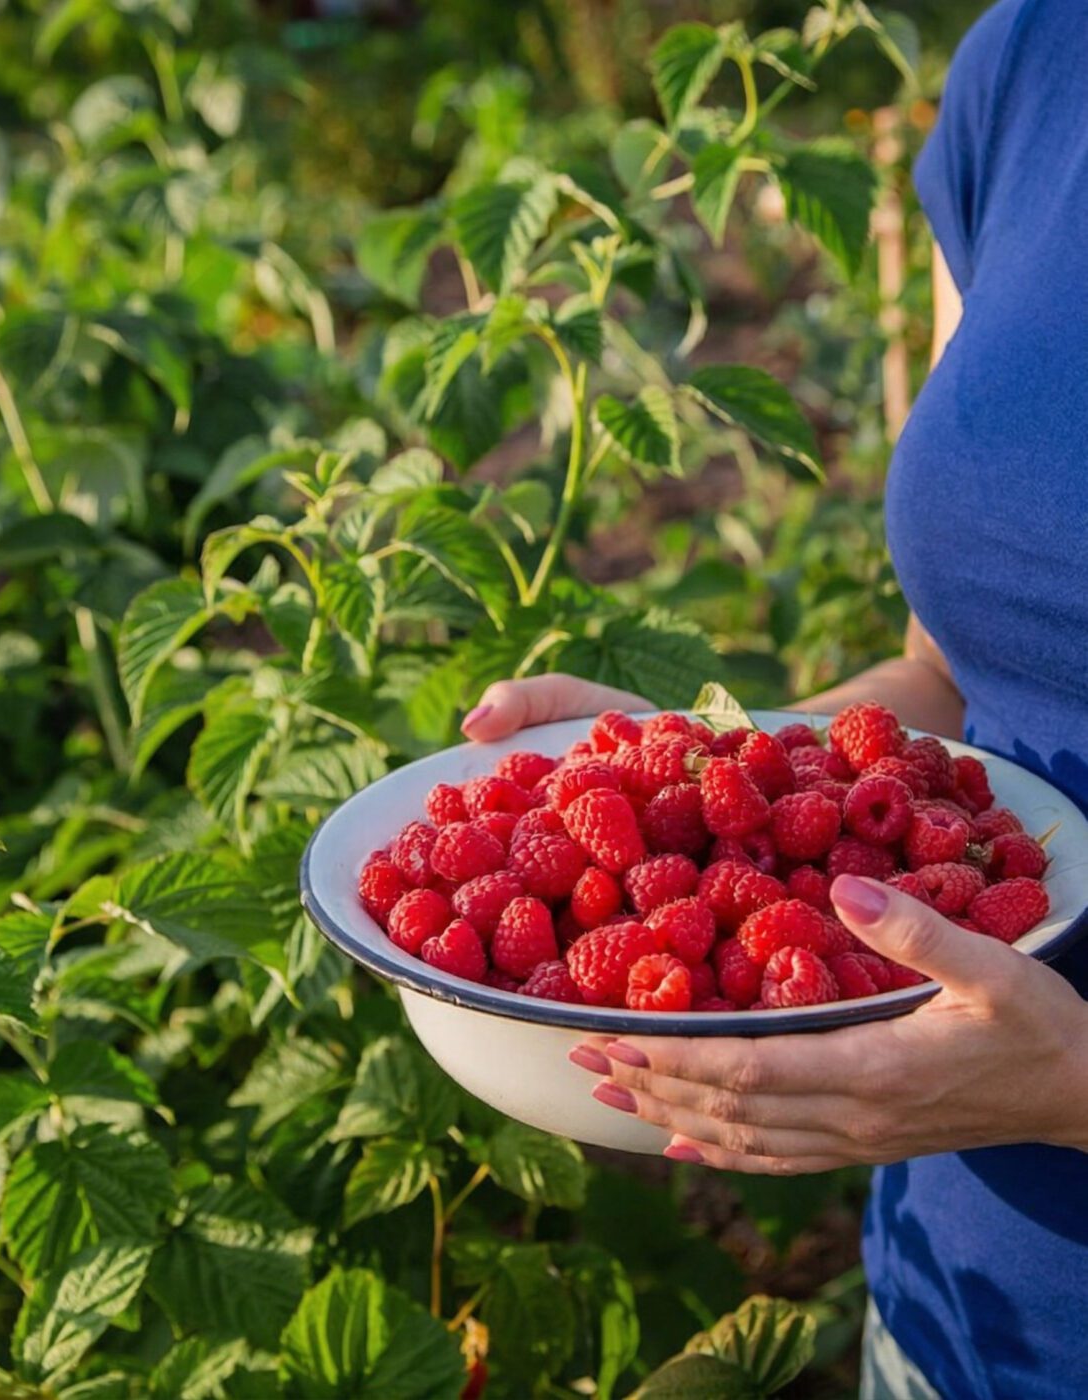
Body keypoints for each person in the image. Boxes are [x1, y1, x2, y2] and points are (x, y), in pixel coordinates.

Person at [460, 2, 1088, 1395]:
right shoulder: (1031, 62)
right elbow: (950, 670)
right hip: (951, 1313)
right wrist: (717, 771)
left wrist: (1072, 1087)